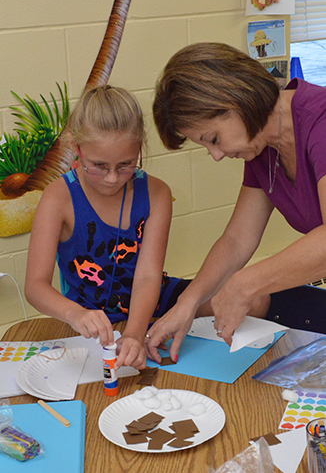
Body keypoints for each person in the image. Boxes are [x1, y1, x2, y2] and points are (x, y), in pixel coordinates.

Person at [145, 42, 326, 364]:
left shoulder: (320, 122)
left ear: (238, 101)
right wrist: (187, 304)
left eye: (213, 139)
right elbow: (237, 240)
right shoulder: (262, 148)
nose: (216, 156)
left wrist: (244, 284)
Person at [25, 85, 188, 370]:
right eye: (98, 165)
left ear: (139, 149)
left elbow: (148, 276)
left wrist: (135, 335)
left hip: (149, 303)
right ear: (77, 149)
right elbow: (35, 286)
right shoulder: (57, 198)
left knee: (254, 302)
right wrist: (75, 315)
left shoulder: (157, 193)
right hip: (88, 319)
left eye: (125, 165)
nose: (113, 178)